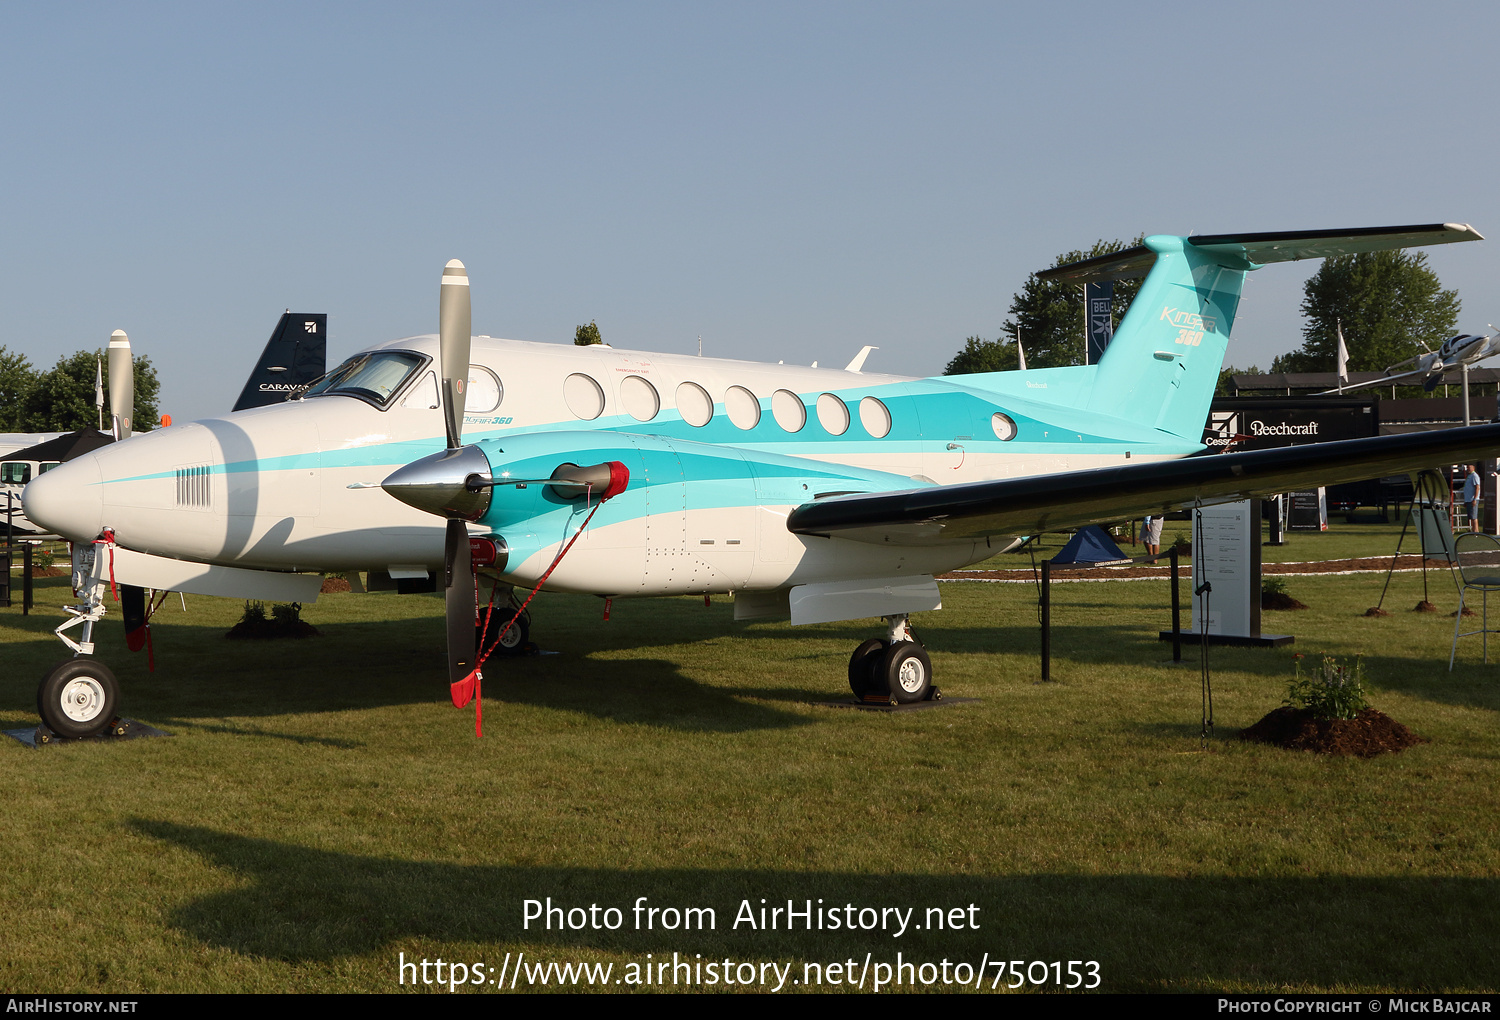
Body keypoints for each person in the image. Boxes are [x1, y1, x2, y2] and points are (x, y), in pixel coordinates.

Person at [1463, 464, 1481, 532]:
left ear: (1473, 468)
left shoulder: (1474, 476)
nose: (1468, 469)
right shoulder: (1469, 476)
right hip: (1468, 499)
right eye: (1467, 468)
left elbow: (1477, 487)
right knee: (1471, 517)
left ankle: (1476, 532)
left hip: (1473, 499)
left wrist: (1475, 499)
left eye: (1470, 467)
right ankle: (1473, 530)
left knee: (1474, 517)